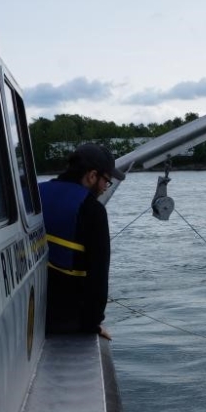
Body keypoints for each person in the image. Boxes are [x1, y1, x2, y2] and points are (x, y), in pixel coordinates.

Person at [39, 143, 125, 340]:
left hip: (30, 313)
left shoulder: (34, 194)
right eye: (106, 181)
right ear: (92, 176)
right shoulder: (92, 210)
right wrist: (93, 324)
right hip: (65, 320)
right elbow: (98, 276)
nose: (105, 188)